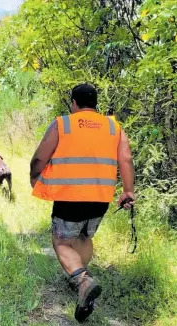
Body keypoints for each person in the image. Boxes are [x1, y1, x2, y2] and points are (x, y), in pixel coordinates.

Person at [29, 84, 135, 322]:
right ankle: (80, 281)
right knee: (84, 237)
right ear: (95, 103)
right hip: (101, 196)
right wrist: (128, 191)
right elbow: (126, 159)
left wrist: (33, 176)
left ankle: (83, 280)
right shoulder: (114, 126)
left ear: (74, 103)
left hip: (70, 195)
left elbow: (39, 157)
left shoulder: (63, 124)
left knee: (62, 242)